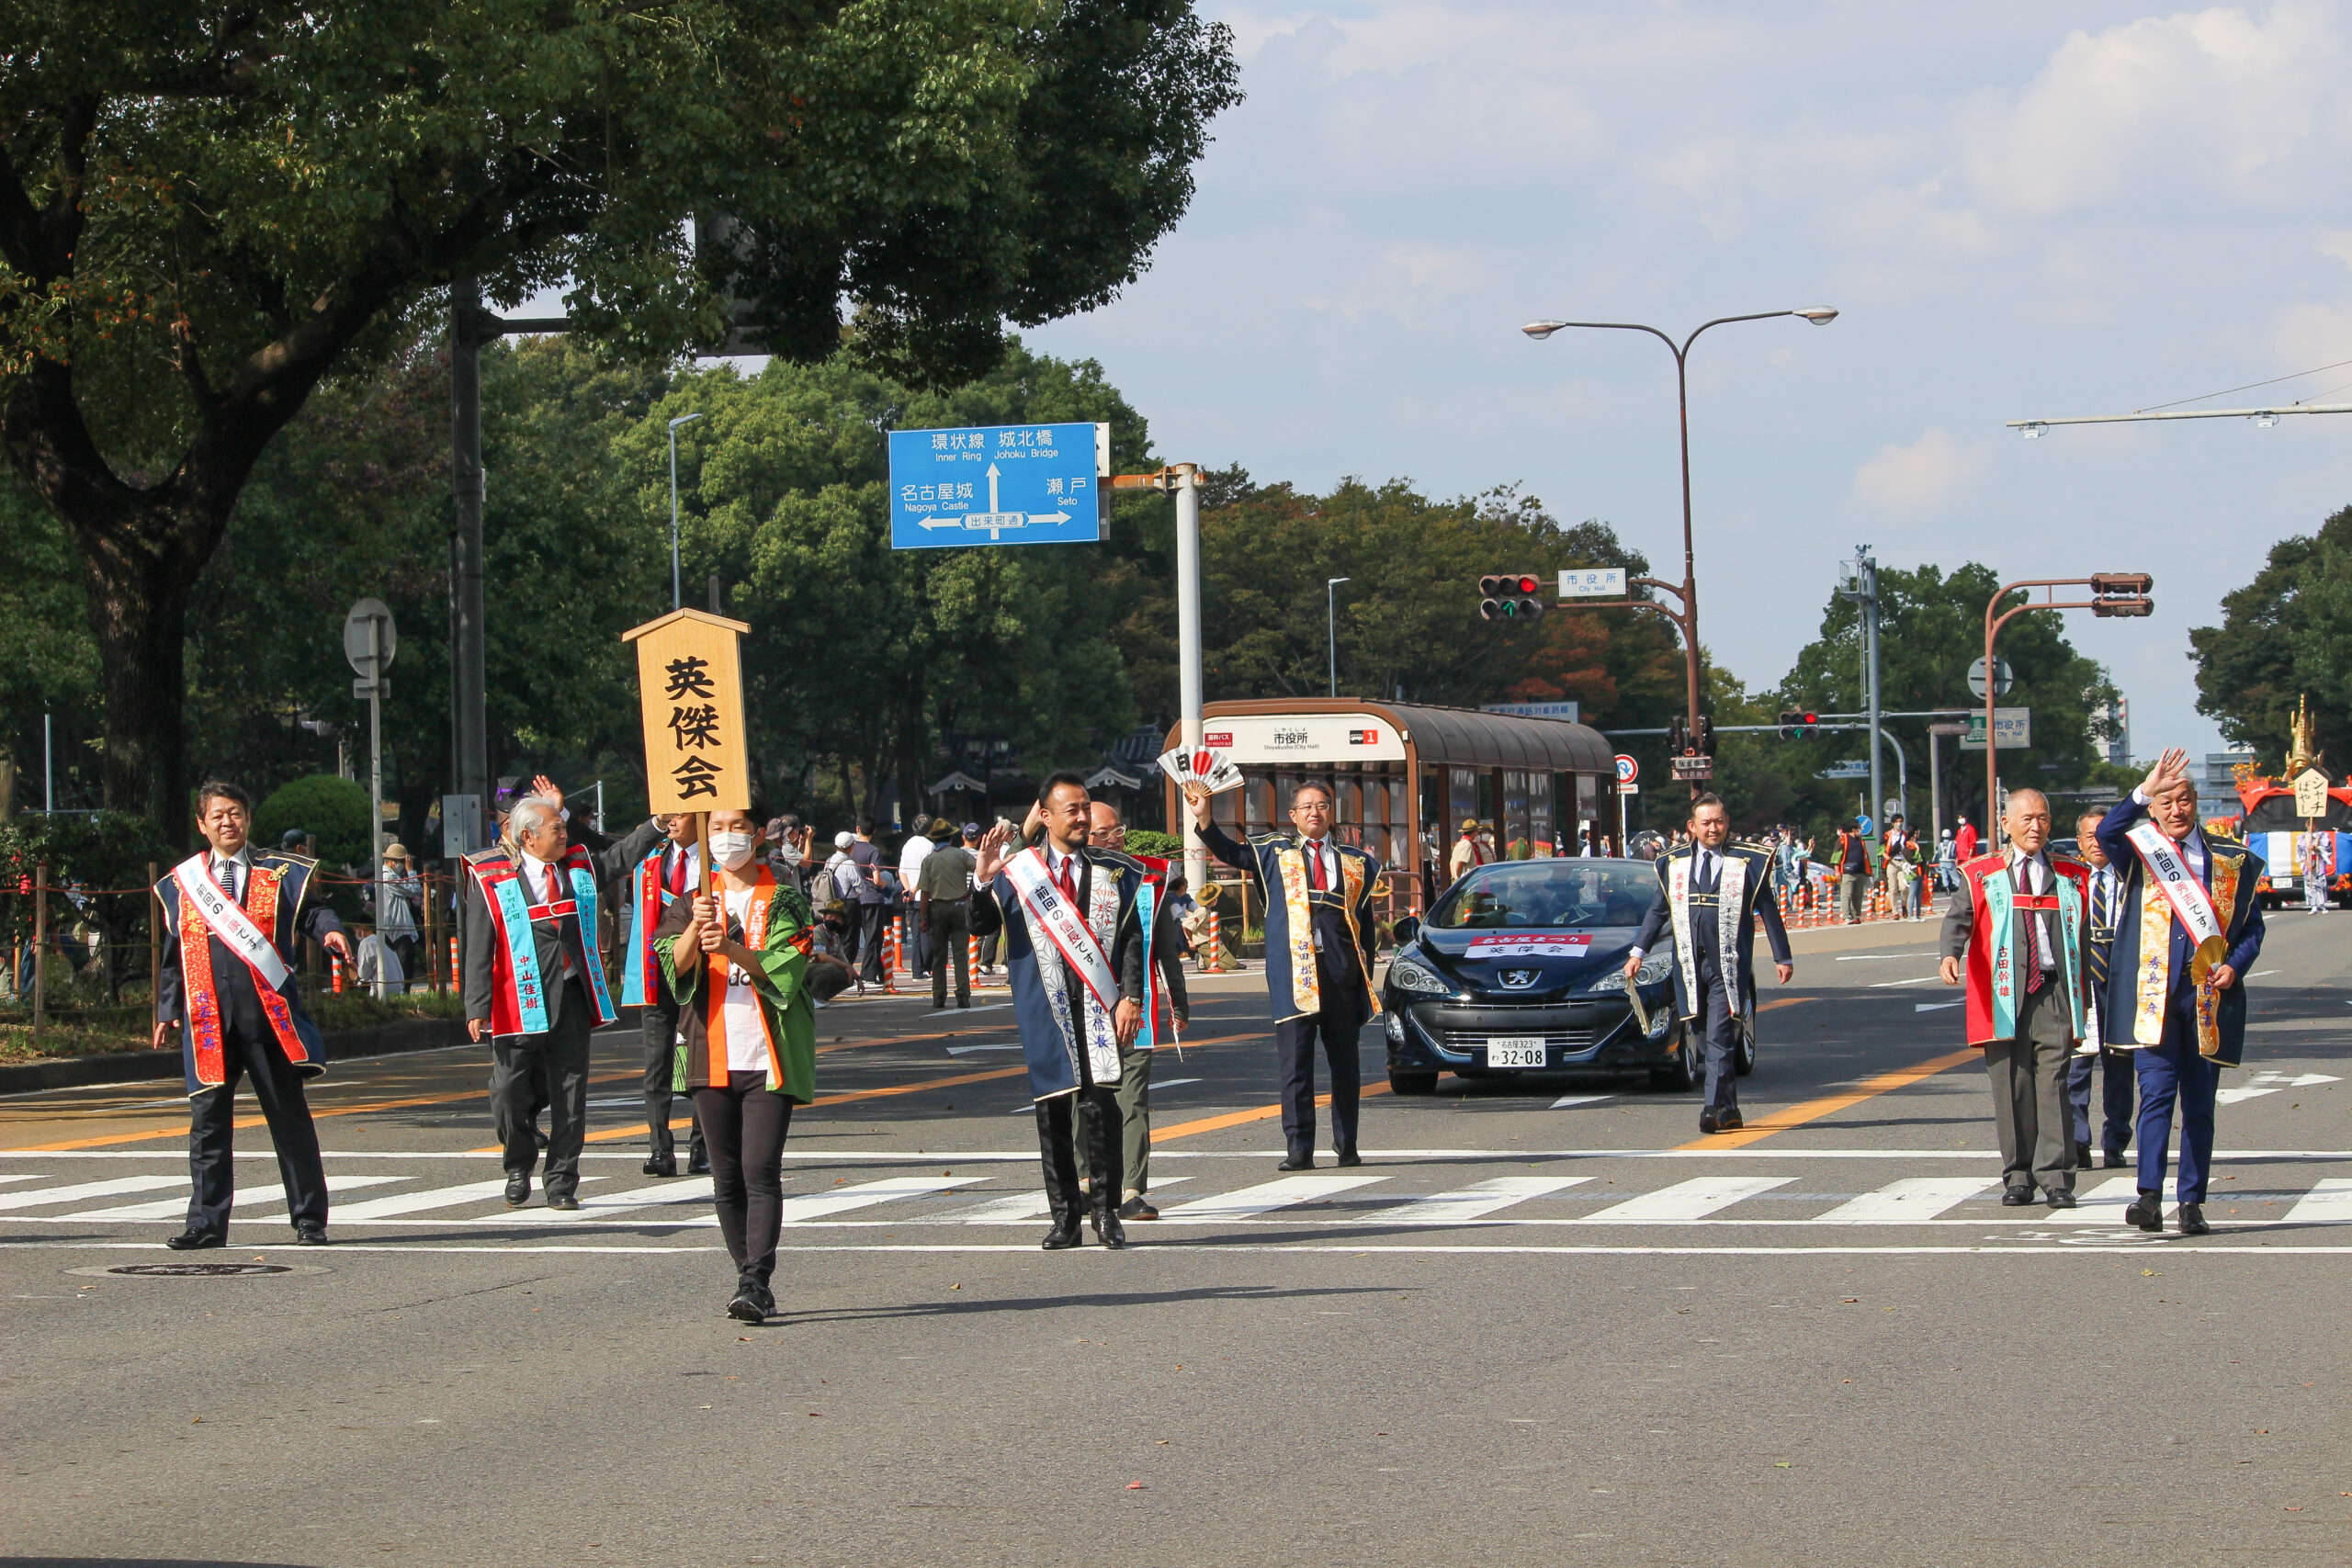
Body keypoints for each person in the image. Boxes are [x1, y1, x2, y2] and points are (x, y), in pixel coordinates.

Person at [153, 781, 354, 1249]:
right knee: (207, 1125)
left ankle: (309, 1218)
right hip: (206, 1021)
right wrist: (167, 1007)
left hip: (267, 1021)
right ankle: (205, 1223)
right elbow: (172, 952)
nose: (228, 822)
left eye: (236, 813)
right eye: (218, 815)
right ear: (202, 824)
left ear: (248, 819)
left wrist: (332, 933)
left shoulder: (278, 873)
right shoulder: (184, 882)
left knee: (288, 1119)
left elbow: (315, 914)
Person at [462, 779, 663, 1211]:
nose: (564, 834)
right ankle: (518, 1162)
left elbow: (620, 857)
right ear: (527, 837)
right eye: (556, 828)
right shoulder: (492, 877)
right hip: (518, 1000)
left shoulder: (577, 868)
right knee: (507, 1091)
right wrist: (476, 1006)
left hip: (572, 995)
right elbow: (480, 943)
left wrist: (658, 825)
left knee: (571, 1093)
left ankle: (561, 1182)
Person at [967, 773, 1148, 1249]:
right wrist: (982, 878)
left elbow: (1133, 938)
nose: (1083, 817)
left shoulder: (1116, 871)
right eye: (1072, 809)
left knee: (1100, 1105)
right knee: (1052, 1110)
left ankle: (1107, 1213)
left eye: (1086, 807)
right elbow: (979, 923)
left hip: (1099, 1004)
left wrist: (1132, 996)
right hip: (1044, 1005)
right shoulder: (1018, 872)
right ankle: (1064, 1217)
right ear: (1044, 816)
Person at [654, 805, 816, 1322]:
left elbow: (786, 966)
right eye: (716, 829)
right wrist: (694, 932)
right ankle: (746, 1274)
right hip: (708, 1052)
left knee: (759, 1169)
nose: (727, 838)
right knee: (726, 1177)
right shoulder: (689, 902)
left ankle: (756, 1277)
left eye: (737, 828)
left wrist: (729, 946)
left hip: (769, 1053)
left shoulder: (786, 898)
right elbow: (671, 970)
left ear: (759, 834)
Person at [2095, 749, 2266, 1236]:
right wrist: (2142, 789)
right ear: (2154, 808)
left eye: (2184, 799)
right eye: (2165, 801)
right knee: (2154, 1097)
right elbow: (2106, 834)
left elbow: (2251, 929)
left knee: (2199, 1105)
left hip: (2207, 999)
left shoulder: (2229, 862)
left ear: (2197, 804)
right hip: (2153, 999)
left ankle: (2191, 1201)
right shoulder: (2139, 852)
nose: (2175, 809)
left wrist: (2235, 966)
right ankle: (2148, 1196)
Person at [1188, 779, 1381, 1170]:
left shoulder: (1357, 862)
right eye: (1306, 806)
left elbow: (1367, 926)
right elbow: (1229, 851)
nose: (1315, 812)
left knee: (1346, 1065)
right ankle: (1299, 1148)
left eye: (1322, 805)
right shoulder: (1275, 852)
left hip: (1340, 972)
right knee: (1295, 1065)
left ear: (1332, 812)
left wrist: (1366, 978)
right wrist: (1205, 819)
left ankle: (1348, 1144)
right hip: (1294, 972)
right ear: (1293, 816)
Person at [1937, 788, 2089, 1209]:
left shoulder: (2070, 874)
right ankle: (2018, 1175)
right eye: (2026, 819)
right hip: (2002, 992)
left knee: (2054, 1082)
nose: (2035, 826)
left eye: (2042, 818)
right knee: (2011, 1084)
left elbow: (2086, 938)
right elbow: (1959, 918)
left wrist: (2087, 999)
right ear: (2006, 824)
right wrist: (1950, 954)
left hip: (2054, 989)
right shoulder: (1982, 873)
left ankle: (2058, 1177)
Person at [1626, 793, 1793, 1135]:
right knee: (1702, 1036)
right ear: (1692, 827)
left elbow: (1768, 908)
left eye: (1719, 821)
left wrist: (1782, 955)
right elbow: (1658, 911)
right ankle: (1729, 1108)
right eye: (1706, 823)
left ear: (1727, 823)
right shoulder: (1674, 863)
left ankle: (1711, 1108)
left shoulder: (1746, 862)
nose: (1713, 828)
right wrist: (1637, 952)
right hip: (1688, 962)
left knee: (1717, 1034)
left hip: (1728, 964)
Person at [1088, 799, 1191, 1222]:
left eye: (1119, 831)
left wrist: (1179, 1002)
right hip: (1084, 1005)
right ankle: (1083, 1185)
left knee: (1133, 1100)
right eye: (1103, 833)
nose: (1114, 840)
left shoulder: (1149, 878)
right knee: (1082, 1100)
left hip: (1138, 1002)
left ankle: (1131, 1189)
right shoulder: (1062, 880)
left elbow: (1165, 945)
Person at [617, 813, 709, 1179]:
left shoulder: (716, 860)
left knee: (701, 1059)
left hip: (700, 970)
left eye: (680, 815)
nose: (672, 822)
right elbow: (601, 851)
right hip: (656, 972)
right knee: (657, 1063)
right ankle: (660, 1149)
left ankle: (702, 1146)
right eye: (666, 815)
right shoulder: (651, 857)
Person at [2068, 808, 2136, 1171]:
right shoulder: (2070, 880)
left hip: (2122, 976)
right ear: (2079, 842)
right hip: (2083, 977)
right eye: (2089, 836)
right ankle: (2078, 1140)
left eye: (2103, 834)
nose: (2097, 842)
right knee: (2078, 1063)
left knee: (2120, 1064)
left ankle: (2116, 1142)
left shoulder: (2131, 877)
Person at [917, 819, 977, 1009]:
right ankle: (963, 996)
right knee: (960, 954)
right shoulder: (961, 855)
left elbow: (925, 892)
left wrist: (922, 917)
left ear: (935, 839)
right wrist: (970, 891)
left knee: (939, 956)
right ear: (951, 838)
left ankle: (939, 996)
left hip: (938, 908)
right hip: (960, 906)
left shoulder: (929, 860)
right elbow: (979, 869)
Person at [899, 818, 936, 978]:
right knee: (926, 933)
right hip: (925, 895)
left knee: (915, 934)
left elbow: (902, 870)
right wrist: (915, 889)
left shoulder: (907, 844)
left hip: (911, 896)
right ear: (931, 828)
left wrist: (908, 889)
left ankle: (916, 969)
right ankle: (926, 967)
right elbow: (927, 872)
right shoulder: (929, 846)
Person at [1834, 819, 1872, 923]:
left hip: (1860, 872)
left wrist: (1868, 871)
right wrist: (1837, 871)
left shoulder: (1861, 840)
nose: (1860, 830)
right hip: (1848, 872)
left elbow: (1865, 856)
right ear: (1854, 829)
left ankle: (1856, 916)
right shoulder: (1843, 839)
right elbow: (1836, 856)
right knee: (1847, 894)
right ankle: (1847, 916)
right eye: (1859, 828)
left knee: (1858, 895)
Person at [1446, 818, 1488, 888]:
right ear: (1474, 832)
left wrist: (1454, 878)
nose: (1477, 834)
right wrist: (1458, 879)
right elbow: (1461, 862)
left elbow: (1451, 863)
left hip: (1460, 882)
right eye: (1476, 831)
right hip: (1466, 884)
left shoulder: (1459, 844)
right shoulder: (1467, 844)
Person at [2301, 826, 2331, 914]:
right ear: (2306, 825)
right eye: (2310, 824)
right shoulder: (2303, 837)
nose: (2311, 827)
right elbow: (2300, 852)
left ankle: (2322, 905)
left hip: (2319, 861)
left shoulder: (2322, 835)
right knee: (2310, 884)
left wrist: (2316, 848)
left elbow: (2328, 848)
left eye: (2313, 824)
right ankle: (2313, 906)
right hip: (2308, 861)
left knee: (2320, 883)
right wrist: (2307, 863)